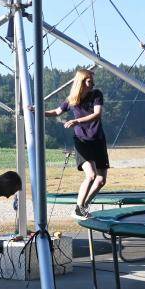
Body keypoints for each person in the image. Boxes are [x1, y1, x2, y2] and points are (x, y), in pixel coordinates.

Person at [44, 69, 108, 218]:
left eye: (92, 81)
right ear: (81, 82)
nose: (92, 84)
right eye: (89, 81)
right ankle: (79, 207)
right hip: (82, 141)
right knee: (91, 175)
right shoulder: (71, 100)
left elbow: (97, 114)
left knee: (101, 180)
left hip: (98, 140)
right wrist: (37, 111)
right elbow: (56, 112)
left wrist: (76, 121)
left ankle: (83, 206)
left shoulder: (96, 94)